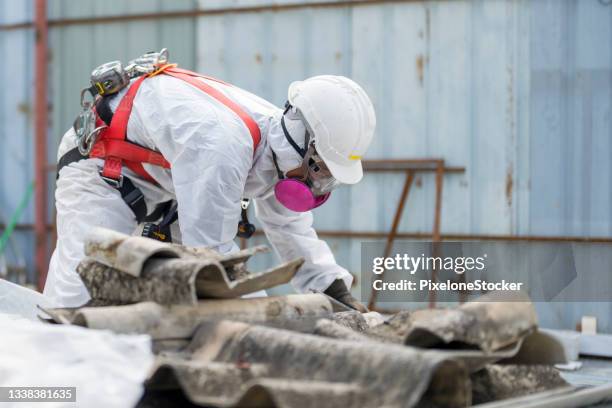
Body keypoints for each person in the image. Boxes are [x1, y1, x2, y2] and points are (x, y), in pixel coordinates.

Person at [43, 55, 376, 310]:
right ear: (304, 140)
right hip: (102, 168)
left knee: (190, 299)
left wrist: (333, 289)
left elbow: (291, 229)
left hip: (166, 184)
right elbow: (208, 256)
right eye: (321, 170)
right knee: (80, 293)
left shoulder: (279, 150)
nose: (319, 185)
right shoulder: (223, 143)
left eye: (329, 179)